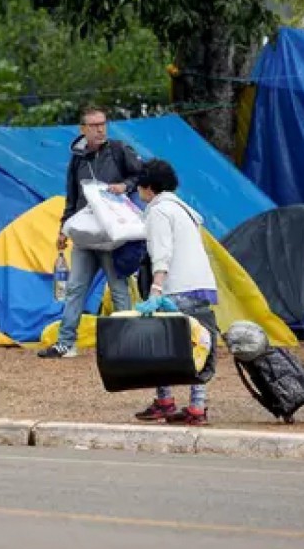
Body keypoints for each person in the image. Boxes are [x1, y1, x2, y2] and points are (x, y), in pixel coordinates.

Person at [39, 105, 142, 359]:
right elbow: (72, 197)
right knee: (75, 287)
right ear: (83, 129)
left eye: (103, 124)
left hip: (111, 236)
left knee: (118, 289)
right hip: (85, 235)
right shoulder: (77, 159)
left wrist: (125, 186)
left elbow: (141, 175)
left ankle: (125, 345)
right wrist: (64, 227)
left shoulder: (119, 150)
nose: (100, 129)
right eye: (94, 125)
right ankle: (66, 343)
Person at [131, 159, 219, 426]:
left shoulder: (158, 211)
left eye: (140, 187)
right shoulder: (185, 210)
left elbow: (162, 253)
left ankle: (165, 401)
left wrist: (155, 290)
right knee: (199, 345)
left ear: (148, 188)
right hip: (203, 287)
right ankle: (196, 407)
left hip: (176, 288)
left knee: (160, 344)